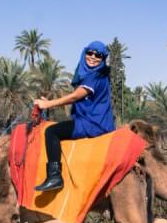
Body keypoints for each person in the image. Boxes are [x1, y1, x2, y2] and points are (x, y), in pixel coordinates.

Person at [32, 40, 116, 192]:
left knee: (51, 132)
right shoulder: (97, 76)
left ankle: (55, 176)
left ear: (103, 59)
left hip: (92, 124)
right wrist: (49, 101)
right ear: (85, 53)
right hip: (95, 122)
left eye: (98, 55)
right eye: (90, 53)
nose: (93, 57)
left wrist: (48, 105)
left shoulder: (95, 76)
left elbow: (75, 97)